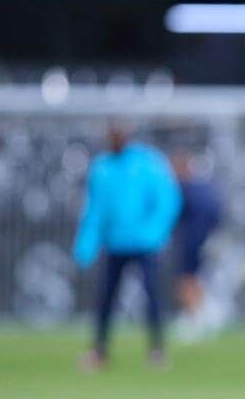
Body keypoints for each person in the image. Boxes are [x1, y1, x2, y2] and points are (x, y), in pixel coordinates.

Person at [73, 123, 181, 369]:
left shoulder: (148, 163)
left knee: (152, 296)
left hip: (145, 244)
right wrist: (86, 245)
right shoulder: (101, 169)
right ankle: (99, 351)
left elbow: (167, 199)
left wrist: (156, 233)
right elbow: (94, 210)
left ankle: (157, 350)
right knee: (106, 298)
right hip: (114, 244)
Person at [171, 150, 222, 341]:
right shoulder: (205, 189)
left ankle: (192, 318)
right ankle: (199, 316)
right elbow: (216, 214)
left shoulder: (183, 190)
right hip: (204, 240)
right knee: (196, 278)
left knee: (187, 279)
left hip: (190, 241)